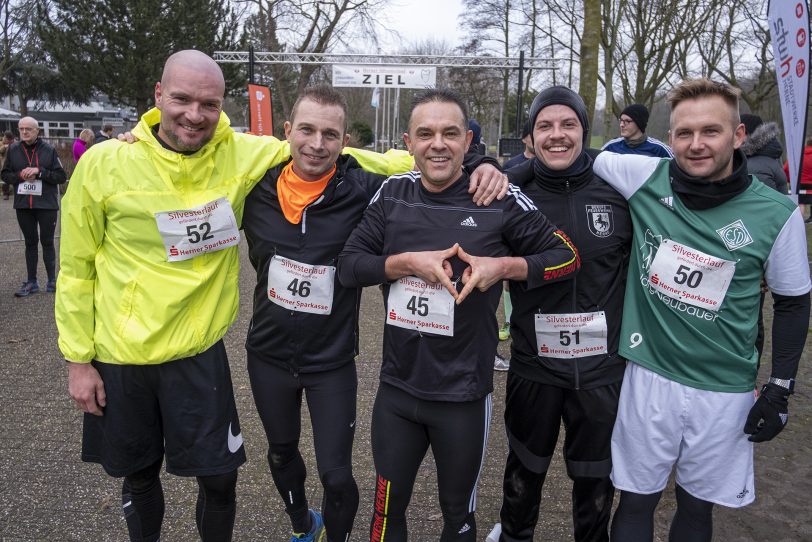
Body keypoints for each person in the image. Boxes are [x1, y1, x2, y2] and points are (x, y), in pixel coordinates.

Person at [55, 50, 504, 542]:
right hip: (151, 356)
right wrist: (78, 358)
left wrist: (482, 163)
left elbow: (410, 158)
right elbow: (75, 268)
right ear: (158, 97)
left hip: (242, 355)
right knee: (155, 474)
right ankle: (293, 523)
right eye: (181, 99)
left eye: (208, 103)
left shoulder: (261, 158)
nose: (194, 114)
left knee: (248, 478)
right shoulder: (123, 163)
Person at [242, 85, 507, 542]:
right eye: (306, 130)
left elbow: (428, 159)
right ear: (287, 132)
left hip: (331, 361)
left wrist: (486, 163)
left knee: (338, 477)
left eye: (330, 134)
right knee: (282, 454)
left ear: (346, 141)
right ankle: (303, 523)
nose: (316, 144)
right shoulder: (253, 185)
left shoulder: (366, 186)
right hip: (266, 354)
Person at [338, 87, 579, 541]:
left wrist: (503, 268)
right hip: (397, 392)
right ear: (408, 143)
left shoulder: (497, 197)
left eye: (451, 133)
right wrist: (406, 263)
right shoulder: (393, 193)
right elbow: (349, 267)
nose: (438, 144)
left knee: (458, 517)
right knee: (386, 511)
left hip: (463, 398)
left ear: (469, 142)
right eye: (425, 134)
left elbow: (566, 258)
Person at [593, 78, 810, 541]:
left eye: (710, 131)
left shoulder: (779, 213)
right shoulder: (641, 178)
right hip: (648, 376)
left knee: (696, 509)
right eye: (684, 133)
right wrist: (501, 172)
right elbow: (565, 156)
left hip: (725, 390)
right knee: (634, 501)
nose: (696, 144)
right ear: (669, 139)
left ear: (737, 137)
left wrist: (780, 387)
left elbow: (794, 302)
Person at [485, 86, 632, 542]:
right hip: (535, 366)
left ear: (584, 131)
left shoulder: (620, 191)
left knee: (594, 483)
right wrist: (489, 165)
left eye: (568, 125)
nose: (557, 135)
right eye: (544, 126)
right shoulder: (509, 191)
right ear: (529, 136)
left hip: (601, 372)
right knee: (523, 474)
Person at [1, 116, 67, 296]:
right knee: (30, 243)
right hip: (24, 205)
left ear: (37, 131)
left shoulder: (49, 150)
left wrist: (40, 172)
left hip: (46, 205)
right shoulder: (13, 150)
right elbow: (5, 175)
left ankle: (52, 281)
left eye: (28, 129)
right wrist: (20, 176)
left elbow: (61, 176)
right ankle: (32, 282)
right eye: (21, 129)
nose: (24, 132)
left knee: (47, 242)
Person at [601, 104, 673, 158]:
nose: (621, 125)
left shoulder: (659, 149)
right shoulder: (611, 146)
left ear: (639, 123)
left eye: (627, 121)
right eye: (621, 120)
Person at [740, 114, 788, 194]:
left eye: (737, 132)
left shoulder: (755, 166)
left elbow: (762, 203)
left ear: (745, 133)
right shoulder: (766, 155)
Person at [783, 136, 812, 222]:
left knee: (800, 203)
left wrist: (789, 180)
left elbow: (786, 169)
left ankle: (799, 221)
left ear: (806, 144)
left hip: (798, 184)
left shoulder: (797, 155)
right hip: (811, 184)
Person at [1, 131, 15, 200]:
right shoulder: (3, 145)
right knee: (5, 179)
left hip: (15, 164)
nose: (3, 138)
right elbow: (0, 151)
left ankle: (17, 192)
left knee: (16, 177)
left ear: (8, 138)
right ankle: (6, 194)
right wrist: (5, 147)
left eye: (4, 137)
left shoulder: (16, 144)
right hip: (6, 165)